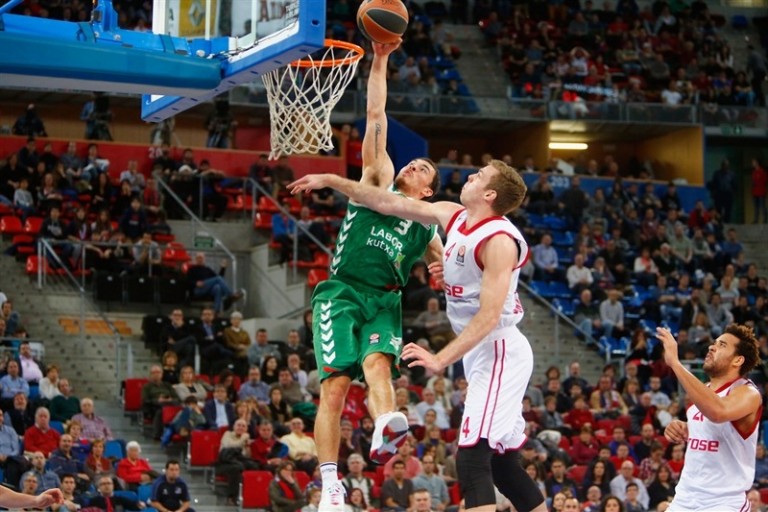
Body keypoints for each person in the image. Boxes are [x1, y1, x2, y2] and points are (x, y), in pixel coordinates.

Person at [290, 159, 544, 512]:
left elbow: (488, 317)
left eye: (480, 176)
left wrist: (440, 358)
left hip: (499, 348)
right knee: (503, 465)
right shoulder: (451, 216)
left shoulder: (499, 241)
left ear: (489, 194)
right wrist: (330, 179)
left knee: (471, 459)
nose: (470, 175)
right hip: (480, 354)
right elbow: (385, 201)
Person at [288, 40, 445, 512]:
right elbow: (376, 114)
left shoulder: (426, 225)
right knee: (335, 386)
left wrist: (442, 267)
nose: (415, 165)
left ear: (429, 190)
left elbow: (448, 261)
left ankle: (385, 422)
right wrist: (380, 57)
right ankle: (332, 484)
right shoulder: (378, 177)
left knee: (379, 366)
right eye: (416, 161)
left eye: (425, 169)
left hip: (385, 301)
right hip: (341, 294)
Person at [657, 324, 761, 512]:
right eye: (714, 343)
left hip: (723, 503)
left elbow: (718, 412)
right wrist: (685, 428)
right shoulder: (703, 391)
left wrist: (675, 363)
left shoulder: (748, 393)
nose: (711, 347)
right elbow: (711, 426)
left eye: (721, 345)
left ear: (738, 360)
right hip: (684, 498)